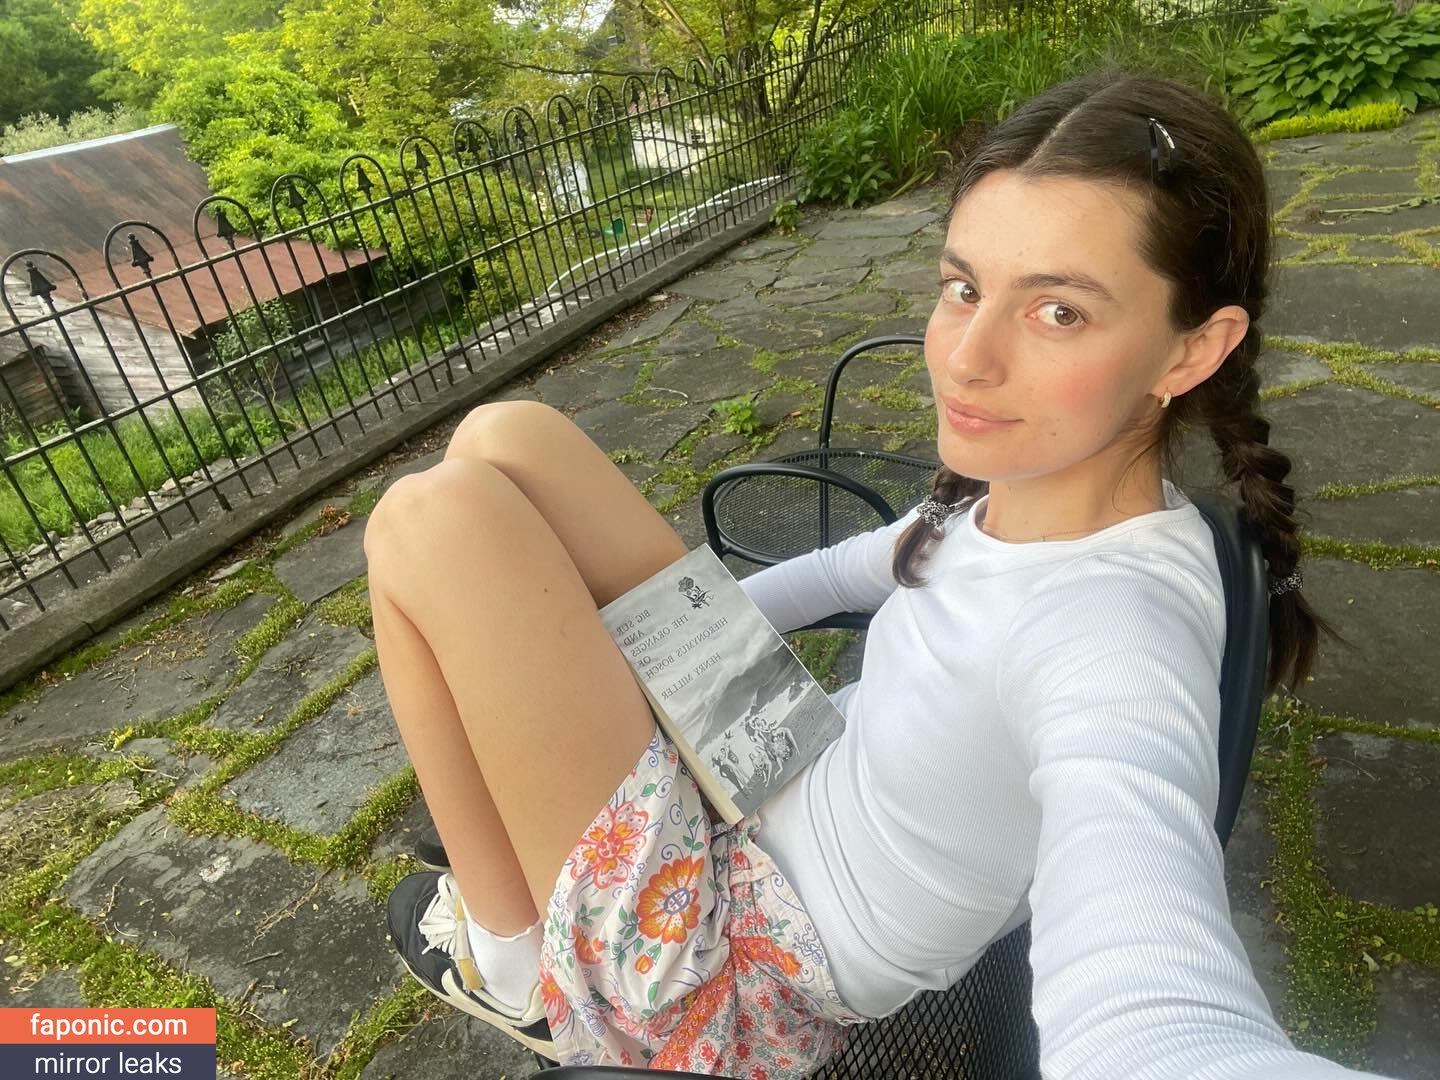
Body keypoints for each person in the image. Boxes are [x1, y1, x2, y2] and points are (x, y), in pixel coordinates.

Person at [363, 68, 1395, 1078]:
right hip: (776, 761)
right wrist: (621, 678)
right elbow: (833, 573)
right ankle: (544, 831)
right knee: (509, 435)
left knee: (429, 521)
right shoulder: (1011, 498)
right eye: (964, 288)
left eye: (1059, 312)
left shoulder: (1111, 630)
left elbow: (1150, 1010)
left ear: (1191, 351)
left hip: (729, 968)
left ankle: (514, 966)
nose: (966, 359)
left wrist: (569, 688)